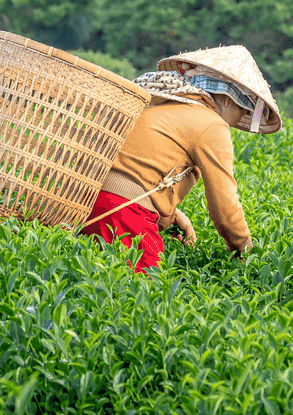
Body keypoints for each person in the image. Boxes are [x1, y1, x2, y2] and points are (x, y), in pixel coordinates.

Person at [80, 45, 282, 272]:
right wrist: (243, 246)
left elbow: (136, 169)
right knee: (145, 287)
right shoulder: (212, 124)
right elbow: (224, 205)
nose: (239, 120)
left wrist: (170, 215)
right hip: (124, 213)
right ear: (228, 100)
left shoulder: (164, 104)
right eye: (243, 111)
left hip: (88, 201)